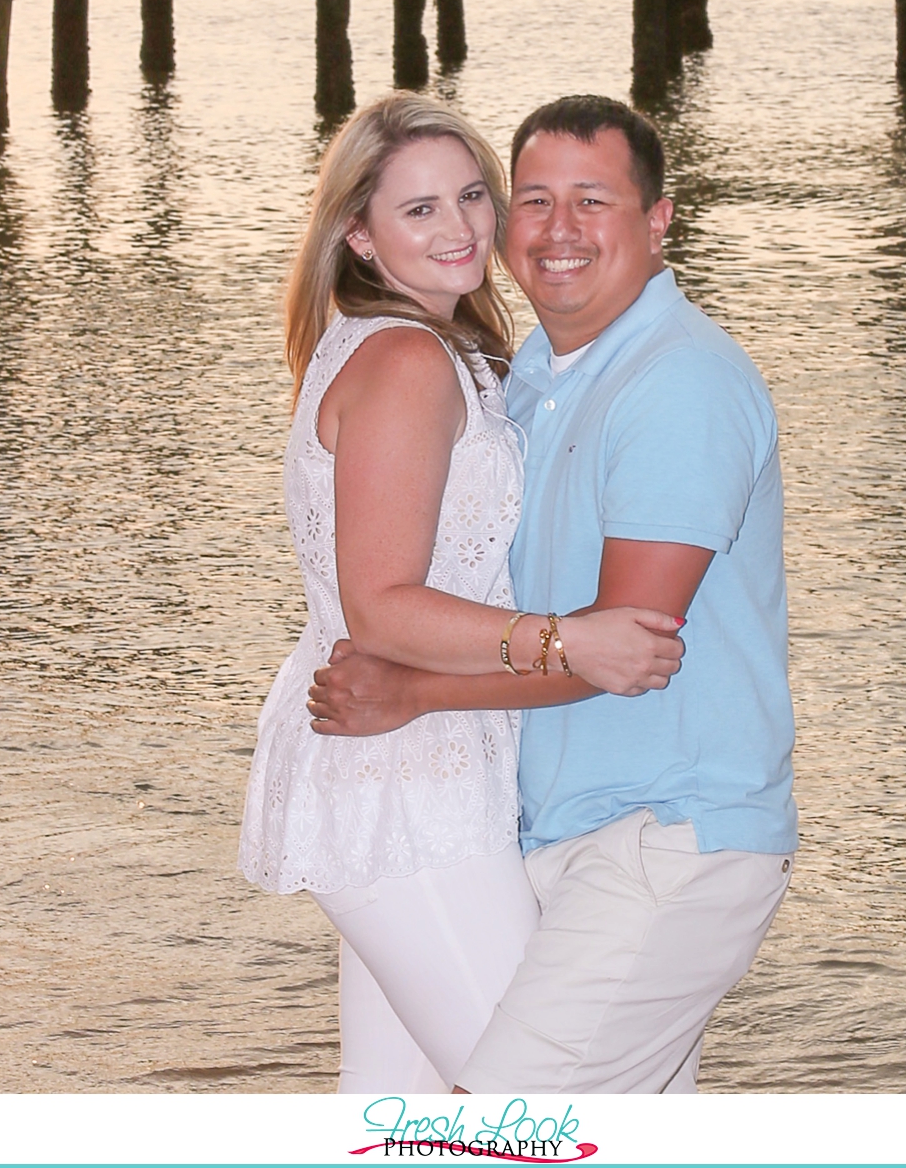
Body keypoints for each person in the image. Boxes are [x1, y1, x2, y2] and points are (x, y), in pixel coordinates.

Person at [311, 93, 797, 1095]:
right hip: (539, 825)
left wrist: (412, 692)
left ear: (658, 220)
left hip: (668, 835)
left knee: (510, 1128)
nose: (557, 229)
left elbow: (621, 649)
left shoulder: (680, 382)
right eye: (532, 198)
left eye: (592, 199)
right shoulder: (524, 373)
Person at [238, 93, 683, 1091]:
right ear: (357, 230)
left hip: (409, 756)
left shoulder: (423, 347)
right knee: (561, 1100)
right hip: (401, 777)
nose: (463, 227)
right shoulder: (404, 359)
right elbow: (380, 603)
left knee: (399, 1115)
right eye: (420, 209)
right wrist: (571, 640)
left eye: (473, 194)